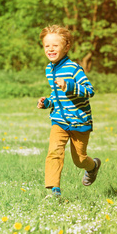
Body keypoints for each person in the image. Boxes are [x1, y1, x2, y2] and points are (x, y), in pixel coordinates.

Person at [37, 25, 101, 196]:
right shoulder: (49, 69)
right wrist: (48, 102)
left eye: (55, 46)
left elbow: (89, 91)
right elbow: (56, 94)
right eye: (47, 46)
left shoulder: (74, 69)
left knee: (79, 160)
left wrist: (69, 86)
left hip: (79, 121)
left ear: (66, 47)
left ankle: (93, 166)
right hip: (59, 120)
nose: (50, 49)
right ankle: (53, 190)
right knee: (54, 152)